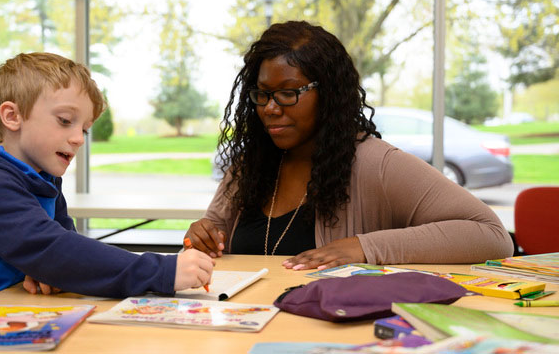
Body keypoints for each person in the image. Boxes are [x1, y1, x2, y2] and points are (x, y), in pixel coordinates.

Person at [185, 21, 514, 270]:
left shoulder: (375, 164)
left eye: (288, 92)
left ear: (327, 94)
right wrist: (200, 236)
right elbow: (211, 236)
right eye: (262, 94)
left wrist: (364, 247)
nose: (270, 107)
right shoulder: (250, 165)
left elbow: (490, 235)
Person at [0, 52, 213, 308]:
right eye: (65, 121)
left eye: (84, 129)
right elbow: (56, 250)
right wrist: (163, 271)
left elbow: (66, 250)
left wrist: (51, 271)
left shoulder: (44, 180)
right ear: (12, 116)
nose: (79, 138)